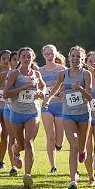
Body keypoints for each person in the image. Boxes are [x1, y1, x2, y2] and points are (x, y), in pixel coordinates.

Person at [45, 46, 94, 189]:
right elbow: (55, 88)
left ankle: (88, 169)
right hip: (68, 114)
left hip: (84, 114)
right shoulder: (62, 74)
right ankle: (73, 180)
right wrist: (48, 99)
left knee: (82, 148)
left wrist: (80, 89)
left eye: (78, 57)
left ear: (83, 59)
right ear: (69, 57)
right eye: (73, 56)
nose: (75, 59)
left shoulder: (86, 75)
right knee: (73, 145)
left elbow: (90, 97)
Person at [3, 47, 45, 189]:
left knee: (29, 142)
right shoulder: (15, 74)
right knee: (20, 144)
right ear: (19, 59)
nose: (26, 59)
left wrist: (41, 92)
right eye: (24, 56)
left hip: (33, 112)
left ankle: (27, 175)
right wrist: (24, 87)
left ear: (32, 58)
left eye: (29, 56)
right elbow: (6, 93)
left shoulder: (36, 73)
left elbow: (43, 86)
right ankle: (15, 150)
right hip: (16, 112)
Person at [39, 45, 66, 174]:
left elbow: (69, 85)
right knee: (50, 136)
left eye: (51, 54)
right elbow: (37, 88)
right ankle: (53, 166)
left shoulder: (62, 70)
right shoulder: (40, 71)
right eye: (47, 54)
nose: (49, 56)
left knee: (59, 139)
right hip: (46, 106)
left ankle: (58, 146)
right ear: (43, 55)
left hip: (61, 106)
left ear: (56, 55)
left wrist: (63, 92)